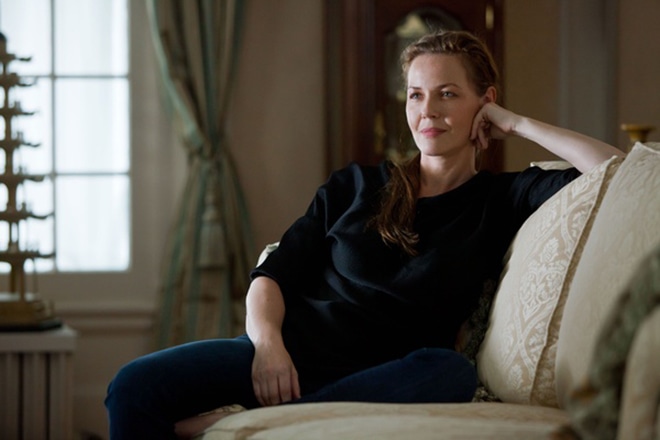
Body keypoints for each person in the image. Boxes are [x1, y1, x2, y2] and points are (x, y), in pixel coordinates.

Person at [105, 30, 622, 439]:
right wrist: (267, 347)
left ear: (484, 103)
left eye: (447, 94)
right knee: (133, 386)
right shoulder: (356, 185)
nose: (428, 111)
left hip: (390, 376)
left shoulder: (503, 198)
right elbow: (273, 274)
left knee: (450, 372)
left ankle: (256, 420)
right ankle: (280, 407)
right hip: (288, 355)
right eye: (416, 95)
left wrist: (515, 123)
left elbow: (614, 168)